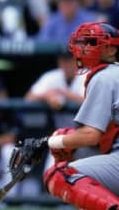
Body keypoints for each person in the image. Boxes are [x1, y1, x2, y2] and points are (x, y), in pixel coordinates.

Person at [42, 21, 119, 209]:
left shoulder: (104, 76)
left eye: (92, 43)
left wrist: (49, 142)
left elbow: (91, 135)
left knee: (59, 174)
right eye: (83, 42)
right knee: (67, 144)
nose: (83, 48)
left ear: (110, 50)